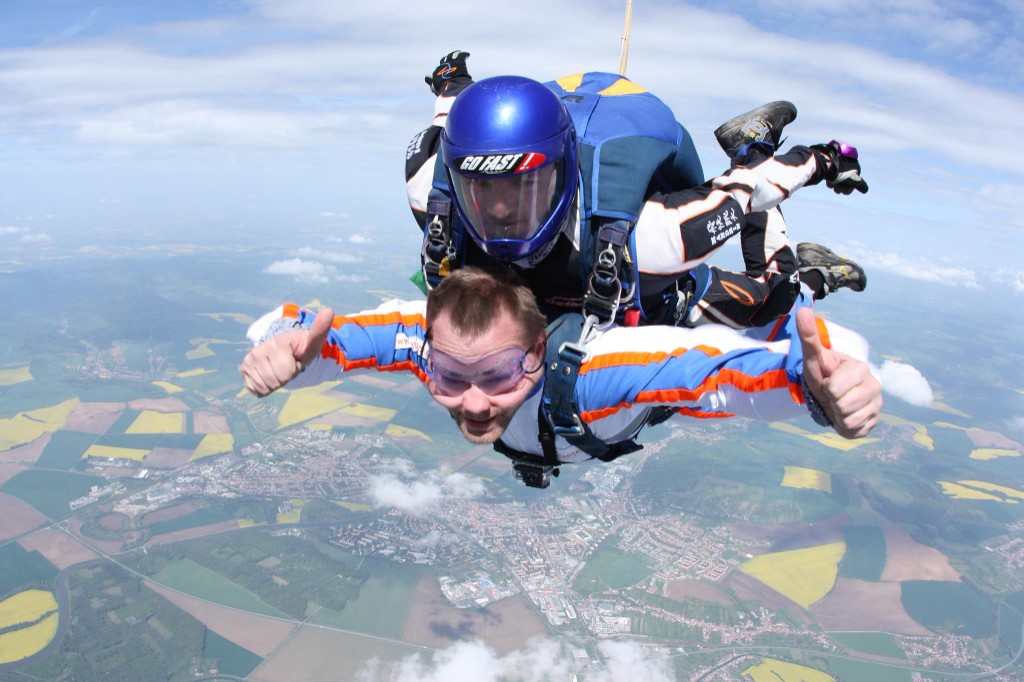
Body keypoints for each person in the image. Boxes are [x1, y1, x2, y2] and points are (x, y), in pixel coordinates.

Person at [241, 268, 882, 488]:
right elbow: (330, 335)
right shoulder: (433, 342)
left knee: (762, 304)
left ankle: (804, 272)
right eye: (446, 375)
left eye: (497, 375)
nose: (471, 402)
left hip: (669, 331)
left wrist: (815, 391)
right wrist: (282, 347)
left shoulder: (592, 376)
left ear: (539, 351)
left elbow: (709, 374)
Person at [405, 52, 869, 328]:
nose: (502, 210)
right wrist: (454, 86)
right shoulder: (435, 198)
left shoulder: (649, 239)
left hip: (633, 206)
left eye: (523, 186)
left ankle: (758, 156)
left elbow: (743, 193)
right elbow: (447, 131)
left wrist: (825, 158)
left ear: (562, 173)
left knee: (770, 303)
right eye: (481, 189)